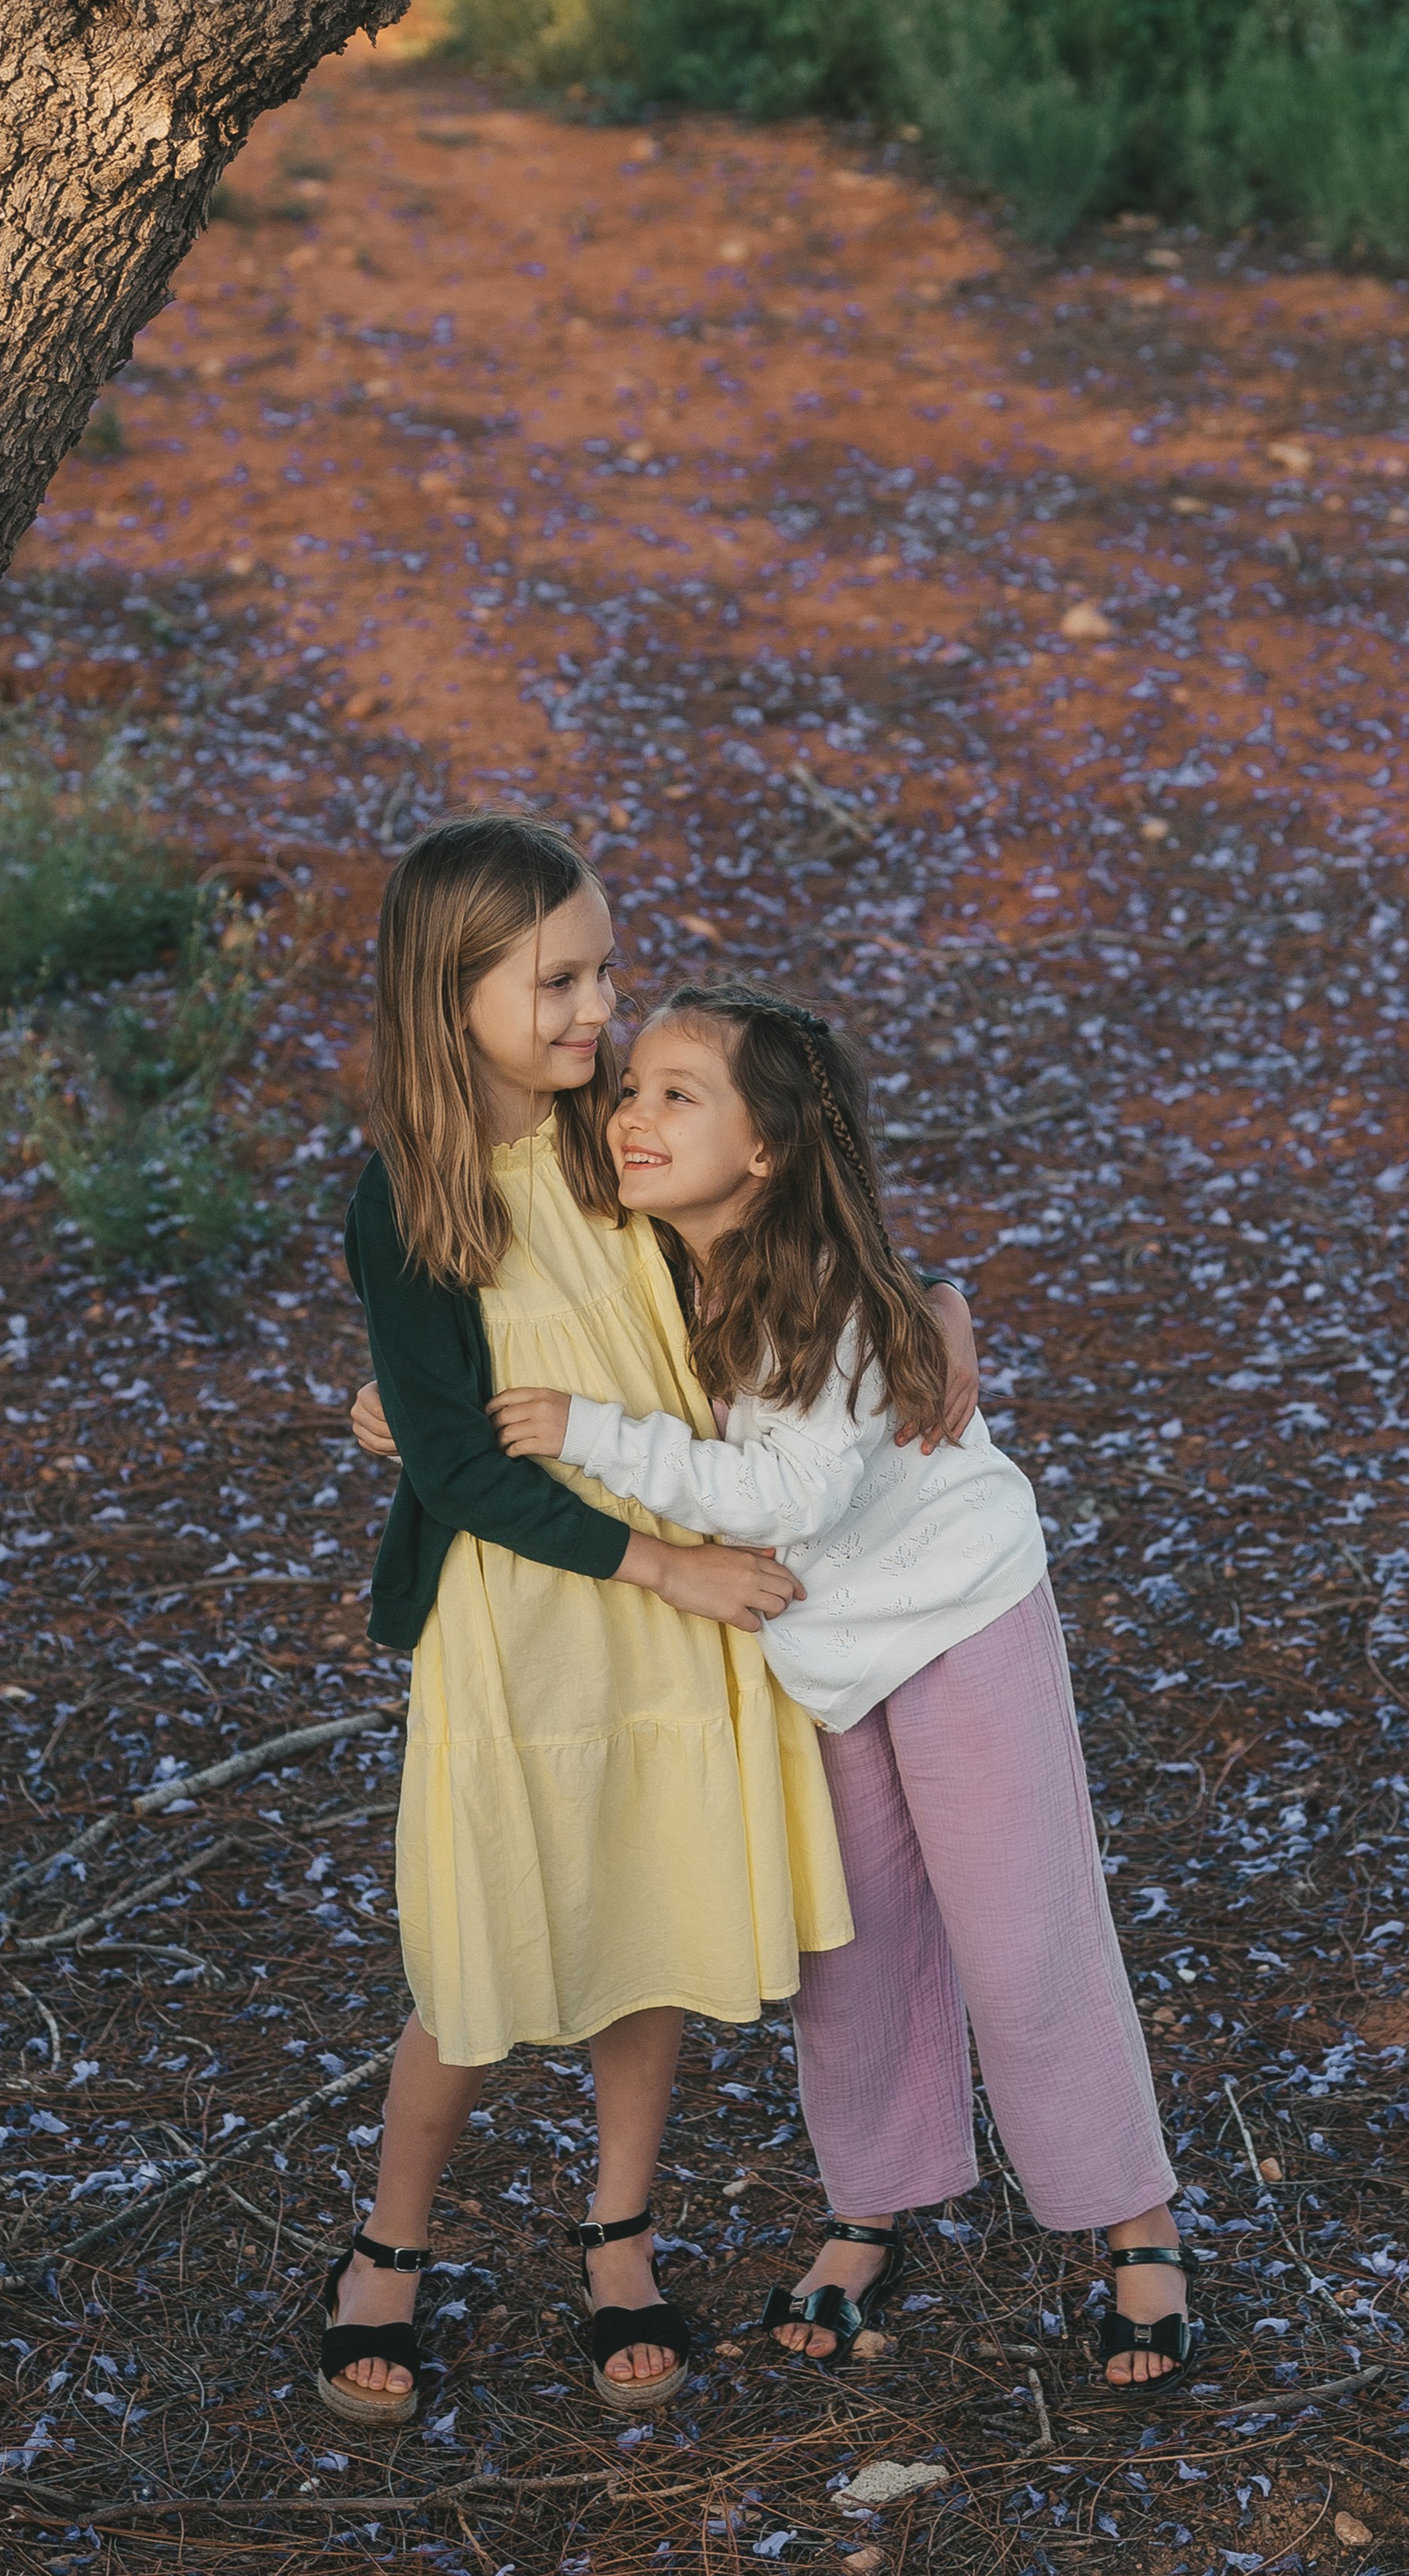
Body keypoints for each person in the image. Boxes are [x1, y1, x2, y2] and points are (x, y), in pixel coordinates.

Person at [323, 815, 976, 2431]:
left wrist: (928, 1303)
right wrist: (640, 1553)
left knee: (647, 1914)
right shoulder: (407, 1200)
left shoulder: (600, 1148)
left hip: (679, 1594)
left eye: (601, 971)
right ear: (445, 987)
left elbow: (774, 1255)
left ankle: (617, 2234)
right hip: (536, 1611)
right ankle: (382, 2252)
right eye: (554, 981)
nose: (594, 1012)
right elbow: (472, 1467)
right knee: (474, 1949)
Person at [483, 982, 1198, 2390]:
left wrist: (597, 1433)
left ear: (767, 1153)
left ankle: (1139, 2223)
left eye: (682, 1094)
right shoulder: (658, 1252)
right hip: (821, 1661)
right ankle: (873, 2203)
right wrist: (407, 1399)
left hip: (956, 1620)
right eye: (635, 1087)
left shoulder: (824, 1297)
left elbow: (788, 1496)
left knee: (1020, 1936)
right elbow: (516, 1298)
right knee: (847, 1951)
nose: (635, 1113)